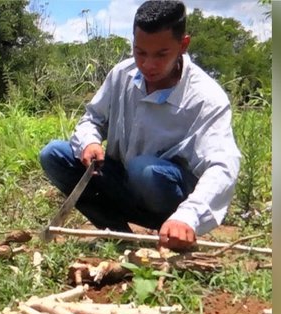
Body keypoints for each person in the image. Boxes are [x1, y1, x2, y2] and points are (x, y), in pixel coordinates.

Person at [39, 0, 241, 251]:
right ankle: (120, 236)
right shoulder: (122, 75)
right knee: (54, 155)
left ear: (183, 45)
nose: (148, 65)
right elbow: (92, 118)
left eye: (161, 54)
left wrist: (188, 215)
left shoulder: (205, 97)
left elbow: (222, 165)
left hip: (168, 197)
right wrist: (89, 141)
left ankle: (170, 234)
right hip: (121, 182)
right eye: (140, 52)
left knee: (145, 171)